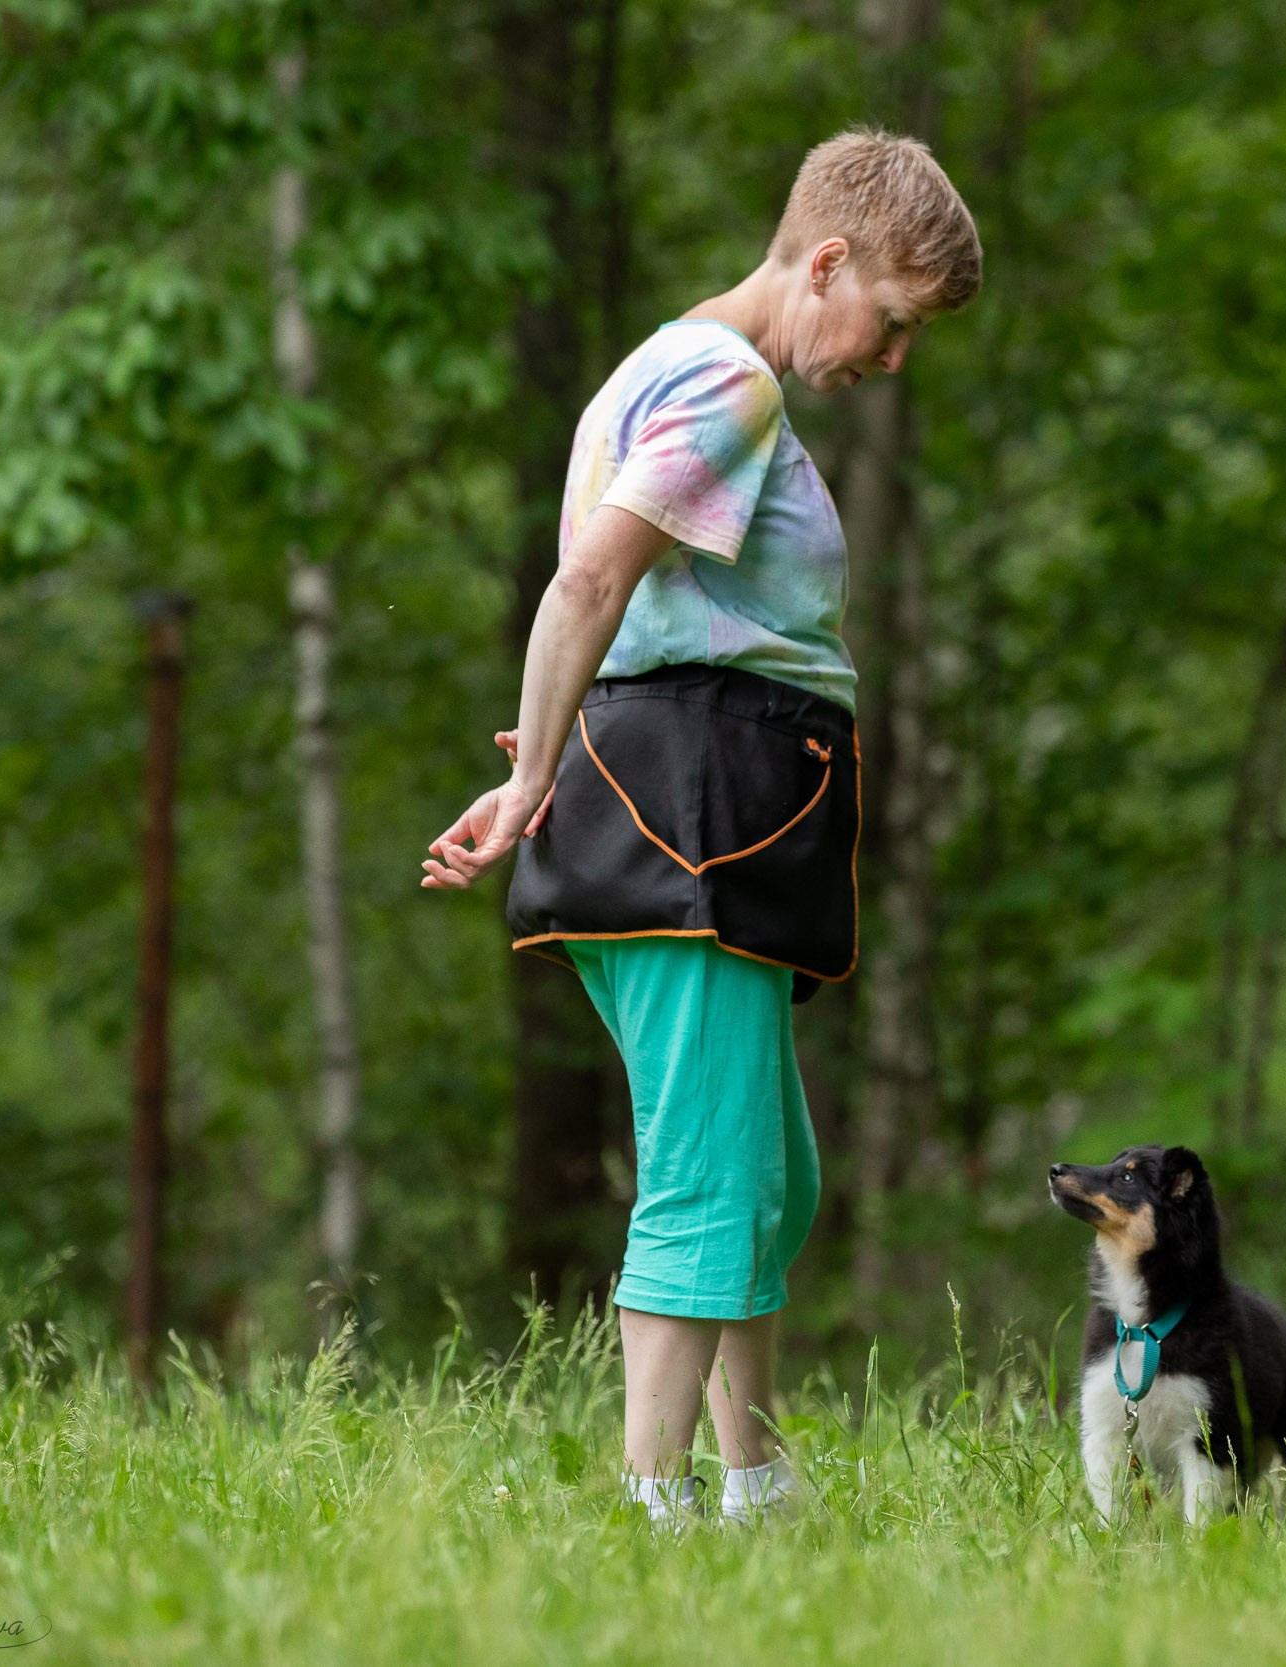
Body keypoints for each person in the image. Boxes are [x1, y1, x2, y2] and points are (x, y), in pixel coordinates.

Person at [420, 129, 981, 1526]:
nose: (891, 359)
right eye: (892, 323)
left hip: (687, 812)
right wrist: (536, 770)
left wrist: (540, 771)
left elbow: (622, 607)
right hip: (694, 820)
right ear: (828, 261)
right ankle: (652, 1515)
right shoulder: (728, 386)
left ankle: (756, 1484)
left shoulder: (663, 363)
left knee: (767, 1178)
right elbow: (591, 579)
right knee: (707, 1182)